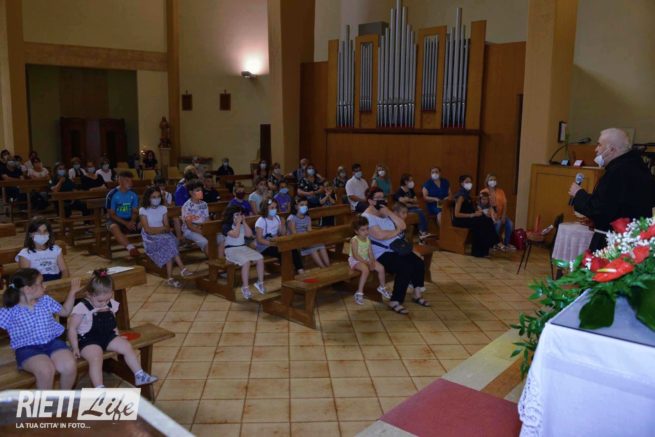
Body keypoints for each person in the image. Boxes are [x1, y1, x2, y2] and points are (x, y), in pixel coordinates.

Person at [67, 269, 158, 388]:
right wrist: (74, 347)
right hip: (88, 340)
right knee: (96, 357)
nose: (104, 303)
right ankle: (99, 388)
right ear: (89, 294)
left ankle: (139, 375)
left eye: (107, 299)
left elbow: (112, 321)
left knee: (126, 346)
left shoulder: (110, 304)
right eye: (100, 301)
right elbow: (72, 328)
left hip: (108, 336)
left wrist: (117, 335)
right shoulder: (82, 307)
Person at [570, 128, 655, 251]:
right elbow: (616, 207)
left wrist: (578, 194)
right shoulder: (637, 166)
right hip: (634, 238)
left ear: (611, 149)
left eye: (599, 145)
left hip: (613, 241)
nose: (596, 149)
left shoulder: (617, 172)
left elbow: (601, 209)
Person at [0, 268, 79, 389]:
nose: (44, 286)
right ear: (28, 289)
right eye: (41, 283)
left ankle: (64, 396)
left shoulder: (45, 301)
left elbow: (65, 312)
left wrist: (72, 292)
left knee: (69, 366)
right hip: (27, 348)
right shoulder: (10, 310)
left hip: (53, 343)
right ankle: (46, 401)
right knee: (46, 371)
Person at [362, 188, 429, 314]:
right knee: (405, 267)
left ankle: (417, 294)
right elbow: (380, 235)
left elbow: (403, 225)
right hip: (380, 253)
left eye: (383, 197)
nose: (382, 200)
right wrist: (396, 231)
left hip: (396, 248)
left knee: (418, 262)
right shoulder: (367, 217)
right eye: (378, 198)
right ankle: (395, 300)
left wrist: (388, 212)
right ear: (370, 201)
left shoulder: (384, 211)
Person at [139, 186, 191, 287]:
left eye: (158, 196)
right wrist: (161, 229)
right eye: (154, 197)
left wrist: (161, 229)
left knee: (169, 243)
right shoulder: (143, 210)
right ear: (148, 198)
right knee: (170, 242)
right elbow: (148, 229)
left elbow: (167, 226)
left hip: (164, 235)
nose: (156, 199)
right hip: (150, 238)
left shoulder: (163, 208)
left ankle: (170, 278)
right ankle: (182, 269)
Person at [222, 205, 266, 299]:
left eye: (240, 214)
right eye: (237, 214)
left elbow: (249, 234)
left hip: (243, 248)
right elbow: (235, 235)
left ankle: (260, 282)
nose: (239, 216)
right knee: (246, 262)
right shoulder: (226, 225)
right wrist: (238, 223)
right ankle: (245, 287)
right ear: (231, 215)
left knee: (260, 258)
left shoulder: (241, 224)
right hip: (231, 250)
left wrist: (244, 222)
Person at [452, 175, 499, 257]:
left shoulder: (467, 195)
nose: (469, 183)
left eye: (470, 182)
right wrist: (472, 215)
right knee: (480, 222)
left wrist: (478, 212)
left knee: (487, 219)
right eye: (467, 182)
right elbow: (457, 214)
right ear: (461, 183)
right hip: (461, 220)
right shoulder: (460, 196)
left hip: (469, 218)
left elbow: (470, 209)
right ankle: (478, 251)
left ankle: (485, 249)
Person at [349, 216, 390, 305]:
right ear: (356, 231)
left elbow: (370, 252)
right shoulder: (354, 240)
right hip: (356, 260)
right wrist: (367, 263)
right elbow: (356, 255)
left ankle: (382, 287)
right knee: (365, 270)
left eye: (367, 228)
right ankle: (359, 292)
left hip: (366, 259)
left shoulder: (368, 239)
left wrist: (372, 261)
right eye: (363, 230)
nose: (366, 232)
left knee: (381, 268)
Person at [255, 199, 304, 274]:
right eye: (272, 208)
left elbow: (282, 233)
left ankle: (300, 269)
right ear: (265, 208)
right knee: (282, 251)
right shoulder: (261, 221)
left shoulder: (277, 218)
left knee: (292, 248)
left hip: (276, 242)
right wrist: (272, 243)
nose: (274, 210)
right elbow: (259, 239)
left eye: (275, 207)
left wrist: (283, 223)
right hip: (264, 246)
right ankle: (287, 272)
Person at [287, 197, 330, 268]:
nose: (304, 207)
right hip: (296, 242)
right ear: (296, 207)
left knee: (321, 245)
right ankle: (323, 267)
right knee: (313, 249)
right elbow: (294, 234)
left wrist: (309, 238)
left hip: (306, 240)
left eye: (306, 205)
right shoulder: (291, 218)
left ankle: (328, 266)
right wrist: (305, 236)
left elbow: (310, 232)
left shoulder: (307, 218)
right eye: (302, 205)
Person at [181, 180, 221, 256]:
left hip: (203, 228)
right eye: (197, 190)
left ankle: (219, 259)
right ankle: (213, 259)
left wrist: (210, 229)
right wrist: (202, 232)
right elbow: (189, 226)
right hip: (190, 230)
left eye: (201, 190)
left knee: (221, 238)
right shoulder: (187, 206)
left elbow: (207, 219)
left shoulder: (204, 204)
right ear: (191, 192)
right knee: (204, 241)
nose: (201, 192)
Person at [107, 171, 141, 257]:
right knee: (113, 227)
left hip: (130, 219)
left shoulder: (133, 194)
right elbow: (112, 214)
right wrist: (126, 223)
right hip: (116, 220)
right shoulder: (112, 194)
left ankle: (151, 246)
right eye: (127, 181)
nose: (131, 183)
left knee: (145, 222)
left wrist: (132, 221)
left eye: (131, 181)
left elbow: (135, 211)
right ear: (120, 181)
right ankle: (131, 248)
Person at [480, 174, 515, 251]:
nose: (493, 181)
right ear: (487, 181)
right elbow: (483, 205)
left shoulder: (500, 191)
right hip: (490, 215)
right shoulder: (484, 191)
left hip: (501, 214)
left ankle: (506, 243)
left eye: (494, 180)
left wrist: (503, 215)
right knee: (498, 223)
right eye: (491, 180)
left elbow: (505, 203)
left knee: (510, 223)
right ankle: (494, 243)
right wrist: (493, 215)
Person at [394, 173, 430, 240]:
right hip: (404, 209)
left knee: (422, 211)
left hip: (412, 207)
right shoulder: (399, 191)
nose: (412, 182)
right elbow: (401, 202)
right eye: (410, 180)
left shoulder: (411, 190)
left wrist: (408, 200)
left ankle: (422, 231)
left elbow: (416, 200)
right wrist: (411, 201)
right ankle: (422, 231)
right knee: (420, 211)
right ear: (405, 181)